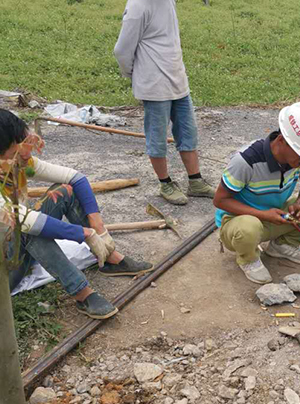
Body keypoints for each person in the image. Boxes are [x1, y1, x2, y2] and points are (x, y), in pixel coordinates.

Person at [0, 109, 153, 319]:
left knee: (64, 190)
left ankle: (108, 258)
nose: (27, 153)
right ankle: (81, 293)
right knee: (27, 228)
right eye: (16, 151)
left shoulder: (20, 165)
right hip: (5, 271)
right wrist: (85, 234)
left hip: (17, 251)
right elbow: (27, 222)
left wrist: (98, 227)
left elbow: (75, 178)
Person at [214, 101, 300, 284]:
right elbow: (220, 200)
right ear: (281, 140)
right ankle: (248, 259)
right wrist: (263, 214)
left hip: (276, 214)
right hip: (238, 221)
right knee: (249, 227)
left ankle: (282, 245)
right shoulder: (246, 161)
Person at [114, 0, 213, 205]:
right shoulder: (138, 6)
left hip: (178, 79)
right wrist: (135, 74)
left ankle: (195, 181)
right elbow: (122, 50)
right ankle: (165, 183)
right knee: (157, 137)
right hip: (154, 84)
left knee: (188, 132)